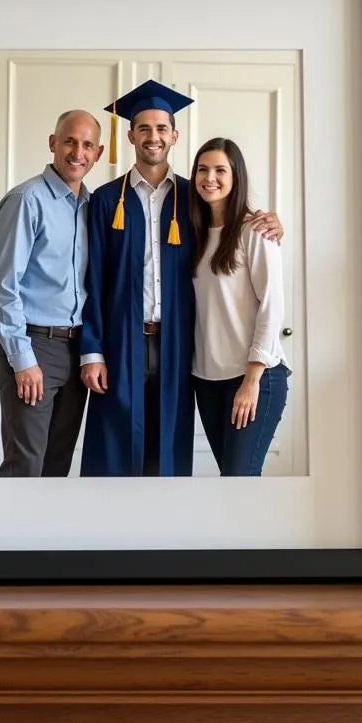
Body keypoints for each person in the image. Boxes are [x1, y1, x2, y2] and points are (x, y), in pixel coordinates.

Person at [78, 79, 283, 477]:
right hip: (121, 343)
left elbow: (235, 226)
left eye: (161, 129)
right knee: (114, 446)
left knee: (166, 448)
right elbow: (92, 282)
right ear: (131, 135)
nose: (152, 137)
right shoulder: (105, 200)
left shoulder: (195, 198)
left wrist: (272, 222)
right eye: (143, 128)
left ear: (174, 136)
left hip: (179, 345)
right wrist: (92, 352)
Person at [0, 109, 104, 476]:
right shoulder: (26, 200)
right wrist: (23, 360)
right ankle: (9, 536)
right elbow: (2, 286)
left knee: (56, 469)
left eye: (87, 145)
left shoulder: (93, 207)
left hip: (77, 351)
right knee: (26, 467)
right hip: (34, 345)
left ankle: (47, 536)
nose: (77, 152)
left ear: (98, 153)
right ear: (53, 143)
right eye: (69, 141)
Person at [189, 137, 290, 476]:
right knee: (231, 485)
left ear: (236, 177)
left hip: (254, 377)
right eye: (202, 169)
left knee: (240, 481)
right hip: (207, 380)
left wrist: (251, 380)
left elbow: (272, 306)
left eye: (220, 170)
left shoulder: (256, 231)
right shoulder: (193, 233)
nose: (210, 178)